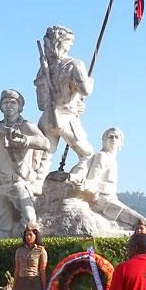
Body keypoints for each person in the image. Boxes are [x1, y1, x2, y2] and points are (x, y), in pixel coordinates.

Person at [0, 89, 50, 238]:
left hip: (19, 182)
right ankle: (3, 257)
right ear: (1, 106)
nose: (9, 105)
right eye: (5, 102)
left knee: (29, 220)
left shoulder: (26, 126)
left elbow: (45, 143)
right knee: (2, 227)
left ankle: (24, 251)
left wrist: (25, 140)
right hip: (0, 185)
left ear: (20, 107)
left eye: (13, 103)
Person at [33, 25, 95, 190]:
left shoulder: (43, 70)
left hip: (46, 118)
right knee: (87, 154)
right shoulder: (75, 64)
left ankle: (36, 187)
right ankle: (75, 180)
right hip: (67, 117)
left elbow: (40, 104)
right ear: (60, 43)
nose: (69, 47)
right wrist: (89, 83)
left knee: (44, 157)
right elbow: (86, 90)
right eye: (69, 43)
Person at [72, 127, 145, 228]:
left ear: (121, 143)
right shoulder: (101, 157)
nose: (113, 139)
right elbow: (93, 180)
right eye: (110, 137)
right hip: (102, 200)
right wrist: (84, 186)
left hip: (112, 199)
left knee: (142, 223)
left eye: (116, 137)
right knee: (141, 222)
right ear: (104, 141)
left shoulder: (113, 160)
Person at [13, 223, 48, 290]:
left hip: (34, 283)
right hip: (22, 283)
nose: (28, 237)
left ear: (36, 236)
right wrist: (14, 288)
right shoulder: (19, 251)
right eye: (26, 235)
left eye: (31, 235)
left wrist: (44, 288)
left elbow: (42, 270)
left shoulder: (41, 251)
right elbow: (17, 270)